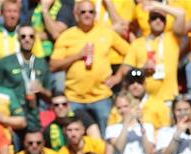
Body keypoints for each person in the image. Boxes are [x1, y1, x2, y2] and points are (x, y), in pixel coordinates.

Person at [49, 0, 130, 131]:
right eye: (83, 12)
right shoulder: (66, 36)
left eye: (91, 12)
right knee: (74, 136)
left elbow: (130, 53)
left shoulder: (106, 33)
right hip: (74, 97)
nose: (87, 15)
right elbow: (53, 65)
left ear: (95, 14)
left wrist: (118, 76)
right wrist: (77, 56)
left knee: (106, 135)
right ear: (76, 15)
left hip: (102, 96)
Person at [120, 2, 185, 105]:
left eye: (162, 18)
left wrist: (157, 6)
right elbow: (125, 72)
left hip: (168, 99)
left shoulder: (172, 39)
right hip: (144, 100)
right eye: (154, 17)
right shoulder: (137, 43)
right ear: (149, 21)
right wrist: (141, 70)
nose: (158, 21)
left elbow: (181, 14)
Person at [0, 25, 52, 133]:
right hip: (13, 114)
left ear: (35, 39)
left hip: (34, 114)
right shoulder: (5, 62)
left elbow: (50, 95)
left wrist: (41, 90)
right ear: (18, 39)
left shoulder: (41, 63)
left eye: (31, 36)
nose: (27, 39)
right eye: (23, 36)